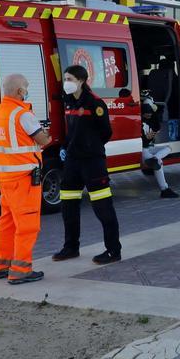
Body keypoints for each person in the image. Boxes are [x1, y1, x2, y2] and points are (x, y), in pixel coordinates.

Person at [53, 65, 122, 264]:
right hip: (72, 162)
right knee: (69, 207)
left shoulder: (95, 103)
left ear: (81, 81)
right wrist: (67, 147)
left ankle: (113, 251)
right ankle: (71, 247)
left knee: (102, 207)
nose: (66, 82)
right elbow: (71, 130)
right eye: (65, 78)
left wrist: (89, 145)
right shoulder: (69, 102)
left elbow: (105, 132)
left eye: (69, 79)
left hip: (92, 162)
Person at [0, 74, 52, 284]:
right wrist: (48, 133)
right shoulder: (22, 114)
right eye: (26, 87)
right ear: (19, 92)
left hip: (6, 177)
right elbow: (42, 139)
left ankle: (1, 265)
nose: (27, 90)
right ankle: (20, 270)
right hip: (24, 179)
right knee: (27, 225)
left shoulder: (1, 112)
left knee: (6, 222)